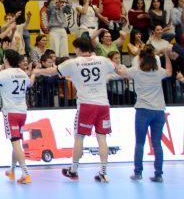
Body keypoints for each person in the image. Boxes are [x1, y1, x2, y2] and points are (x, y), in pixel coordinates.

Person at [33, 37, 128, 183]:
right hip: (103, 104)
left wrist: (37, 71)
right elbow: (120, 70)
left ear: (78, 49)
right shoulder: (103, 60)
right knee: (102, 138)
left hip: (86, 105)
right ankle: (103, 172)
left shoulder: (73, 63)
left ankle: (74, 170)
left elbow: (52, 71)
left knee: (79, 137)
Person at [0, 49, 33, 185]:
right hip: (22, 111)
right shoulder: (23, 73)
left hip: (10, 112)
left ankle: (26, 173)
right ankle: (12, 171)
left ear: (6, 59)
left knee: (15, 142)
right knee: (16, 142)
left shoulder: (4, 74)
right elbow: (30, 84)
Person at [128, 46, 169, 183]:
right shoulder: (159, 71)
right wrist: (167, 56)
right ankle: (159, 174)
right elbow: (169, 72)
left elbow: (121, 72)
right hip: (159, 111)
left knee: (140, 143)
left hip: (143, 110)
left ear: (140, 59)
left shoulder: (136, 71)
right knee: (157, 143)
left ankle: (138, 172)